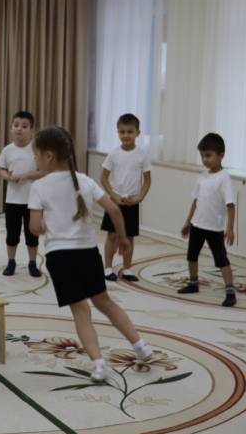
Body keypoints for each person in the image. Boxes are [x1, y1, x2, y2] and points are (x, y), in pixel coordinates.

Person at [28, 126, 153, 384]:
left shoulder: (39, 186)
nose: (35, 159)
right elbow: (114, 211)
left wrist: (45, 224)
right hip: (88, 253)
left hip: (60, 257)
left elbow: (34, 228)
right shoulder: (84, 180)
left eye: (36, 155)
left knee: (81, 311)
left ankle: (98, 364)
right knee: (105, 302)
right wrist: (123, 239)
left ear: (49, 156)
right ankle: (140, 345)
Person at [178, 132, 237, 307]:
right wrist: (188, 222)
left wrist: (230, 228)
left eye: (208, 155)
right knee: (191, 256)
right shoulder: (202, 177)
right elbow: (195, 201)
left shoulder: (224, 178)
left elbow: (231, 205)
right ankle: (193, 283)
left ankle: (230, 290)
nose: (205, 159)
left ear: (221, 155)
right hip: (197, 225)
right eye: (202, 156)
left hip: (214, 228)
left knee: (221, 259)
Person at [100, 113, 150, 282]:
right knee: (112, 235)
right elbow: (103, 178)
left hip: (132, 203)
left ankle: (126, 268)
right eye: (122, 132)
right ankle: (108, 268)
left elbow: (147, 180)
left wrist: (139, 198)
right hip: (114, 202)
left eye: (130, 132)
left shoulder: (142, 155)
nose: (126, 135)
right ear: (118, 133)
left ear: (138, 133)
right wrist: (113, 196)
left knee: (129, 236)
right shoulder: (113, 154)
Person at [0, 110, 42, 278]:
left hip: (33, 200)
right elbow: (2, 169)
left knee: (32, 233)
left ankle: (32, 263)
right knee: (12, 233)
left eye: (24, 126)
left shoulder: (37, 149)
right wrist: (8, 177)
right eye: (16, 125)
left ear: (32, 130)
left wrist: (27, 175)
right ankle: (11, 262)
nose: (19, 129)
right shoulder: (7, 150)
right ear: (11, 128)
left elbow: (43, 172)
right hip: (13, 200)